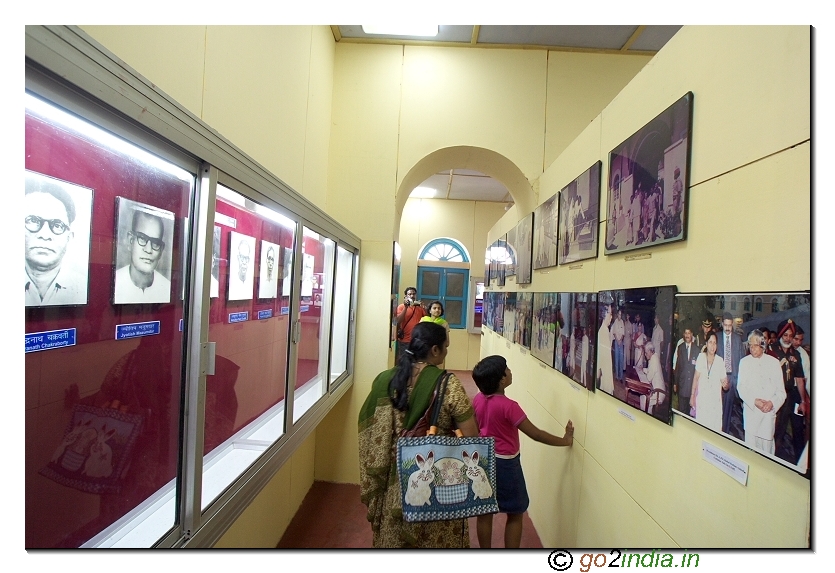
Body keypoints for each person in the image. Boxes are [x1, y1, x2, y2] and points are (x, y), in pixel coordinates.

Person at [358, 322, 478, 548]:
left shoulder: (385, 380)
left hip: (394, 478)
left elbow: (368, 426)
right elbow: (472, 437)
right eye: (446, 346)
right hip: (436, 479)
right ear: (435, 350)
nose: (447, 351)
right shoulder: (447, 384)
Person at [471, 355, 573, 548]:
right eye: (507, 369)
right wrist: (564, 440)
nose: (510, 371)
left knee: (484, 511)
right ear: (501, 379)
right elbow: (535, 434)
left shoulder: (478, 399)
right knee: (516, 512)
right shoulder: (510, 407)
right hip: (506, 464)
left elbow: (476, 428)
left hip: (484, 460)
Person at [25, 177, 85, 306]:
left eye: (57, 225)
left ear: (69, 238)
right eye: (33, 221)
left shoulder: (82, 288)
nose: (45, 235)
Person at [737, 330, 786, 455]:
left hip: (767, 417)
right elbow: (741, 388)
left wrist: (772, 403)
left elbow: (781, 392)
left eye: (755, 345)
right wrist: (754, 401)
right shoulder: (744, 362)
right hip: (751, 415)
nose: (752, 348)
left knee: (767, 455)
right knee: (750, 454)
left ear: (762, 345)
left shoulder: (774, 363)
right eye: (750, 345)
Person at [767, 319, 808, 465]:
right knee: (771, 428)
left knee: (782, 430)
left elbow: (800, 379)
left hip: (789, 396)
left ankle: (777, 458)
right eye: (785, 335)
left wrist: (803, 401)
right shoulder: (770, 350)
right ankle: (767, 457)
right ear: (780, 335)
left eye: (791, 336)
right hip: (773, 395)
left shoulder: (795, 355)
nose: (788, 339)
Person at [114, 209, 171, 304]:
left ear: (161, 250)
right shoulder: (116, 282)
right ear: (130, 241)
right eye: (142, 238)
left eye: (155, 243)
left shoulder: (166, 287)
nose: (148, 250)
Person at [690, 333, 728, 432]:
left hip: (715, 404)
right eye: (710, 342)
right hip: (702, 401)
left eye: (715, 343)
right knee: (701, 430)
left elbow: (725, 386)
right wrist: (692, 395)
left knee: (714, 432)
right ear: (706, 344)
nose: (712, 345)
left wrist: (726, 385)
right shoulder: (701, 357)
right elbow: (695, 378)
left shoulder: (720, 361)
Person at [715, 312, 744, 438]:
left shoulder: (738, 339)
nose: (727, 328)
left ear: (732, 325)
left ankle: (724, 434)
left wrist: (739, 380)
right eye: (725, 325)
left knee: (728, 410)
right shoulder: (716, 337)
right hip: (718, 378)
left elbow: (742, 360)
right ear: (722, 324)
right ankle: (715, 430)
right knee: (716, 407)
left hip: (733, 378)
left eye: (730, 325)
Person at [394, 286, 426, 361]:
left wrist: (425, 308)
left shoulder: (419, 308)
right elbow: (398, 321)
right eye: (409, 294)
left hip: (417, 340)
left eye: (414, 294)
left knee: (416, 362)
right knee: (404, 362)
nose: (412, 296)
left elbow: (427, 320)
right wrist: (406, 307)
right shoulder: (401, 307)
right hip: (404, 341)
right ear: (406, 296)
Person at [673, 328, 699, 415]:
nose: (687, 335)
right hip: (682, 385)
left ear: (692, 334)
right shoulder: (680, 348)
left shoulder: (697, 350)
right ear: (684, 335)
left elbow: (698, 370)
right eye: (686, 333)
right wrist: (675, 383)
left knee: (690, 412)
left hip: (692, 386)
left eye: (689, 333)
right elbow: (678, 367)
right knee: (681, 411)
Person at [642, 341, 666, 415]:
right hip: (655, 388)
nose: (645, 355)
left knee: (643, 398)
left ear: (650, 351)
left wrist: (645, 371)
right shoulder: (654, 356)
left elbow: (649, 378)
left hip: (659, 392)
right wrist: (643, 369)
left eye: (646, 353)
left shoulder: (653, 360)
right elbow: (650, 371)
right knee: (643, 396)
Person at [597, 304, 614, 394]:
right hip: (605, 374)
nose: (611, 317)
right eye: (610, 314)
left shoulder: (606, 330)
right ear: (605, 315)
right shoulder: (603, 331)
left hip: (607, 373)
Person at [612, 309, 625, 382]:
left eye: (621, 314)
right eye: (619, 314)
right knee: (616, 359)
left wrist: (620, 340)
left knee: (621, 359)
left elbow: (623, 333)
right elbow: (614, 333)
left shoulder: (622, 322)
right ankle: (617, 376)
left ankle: (621, 377)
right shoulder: (615, 322)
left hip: (621, 342)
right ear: (617, 315)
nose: (620, 316)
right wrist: (617, 340)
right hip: (617, 342)